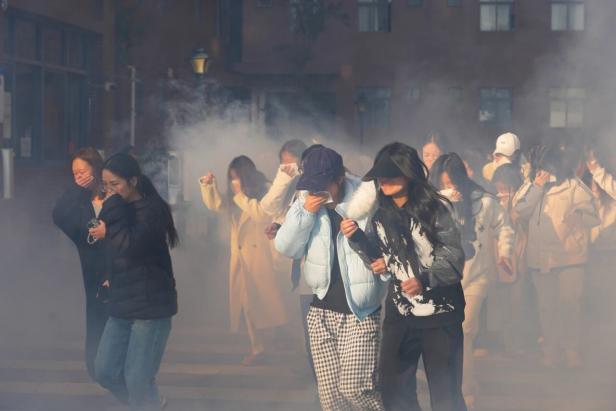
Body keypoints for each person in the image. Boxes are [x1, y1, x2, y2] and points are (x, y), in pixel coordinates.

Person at [345, 142, 467, 411]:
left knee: (446, 396)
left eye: (391, 174)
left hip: (441, 314)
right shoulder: (379, 214)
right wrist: (357, 239)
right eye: (380, 175)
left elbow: (454, 258)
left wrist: (424, 279)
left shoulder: (436, 208)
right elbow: (379, 259)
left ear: (409, 174)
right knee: (393, 388)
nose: (384, 181)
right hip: (401, 313)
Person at [275, 144, 387, 411]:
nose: (316, 192)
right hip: (320, 311)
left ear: (339, 179)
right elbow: (286, 247)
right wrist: (306, 213)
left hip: (360, 312)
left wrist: (358, 233)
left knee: (355, 389)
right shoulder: (305, 200)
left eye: (322, 185)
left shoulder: (366, 199)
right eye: (312, 185)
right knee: (330, 399)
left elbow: (385, 249)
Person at [90, 153, 178, 410]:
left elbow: (129, 246)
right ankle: (150, 404)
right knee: (105, 371)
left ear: (133, 181)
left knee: (138, 380)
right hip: (122, 301)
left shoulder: (151, 210)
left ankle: (148, 404)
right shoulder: (120, 209)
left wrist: (109, 220)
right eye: (106, 185)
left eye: (115, 185)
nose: (110, 192)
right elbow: (116, 252)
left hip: (150, 306)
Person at [431, 153, 513, 410]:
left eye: (453, 183)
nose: (450, 188)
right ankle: (462, 382)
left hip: (476, 276)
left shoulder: (483, 202)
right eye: (443, 184)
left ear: (462, 179)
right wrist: (443, 203)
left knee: (465, 329)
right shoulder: (431, 204)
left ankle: (465, 390)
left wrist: (505, 252)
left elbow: (504, 226)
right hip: (444, 279)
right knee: (445, 335)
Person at [513, 144, 599, 369]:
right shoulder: (531, 186)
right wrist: (536, 187)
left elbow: (593, 216)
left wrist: (579, 217)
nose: (544, 171)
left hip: (570, 258)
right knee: (547, 307)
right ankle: (550, 350)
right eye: (540, 167)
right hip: (542, 259)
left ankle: (571, 350)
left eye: (547, 166)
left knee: (570, 306)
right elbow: (519, 210)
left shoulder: (573, 186)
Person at [199, 155, 287, 365]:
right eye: (231, 178)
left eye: (237, 177)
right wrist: (209, 186)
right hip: (242, 258)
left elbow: (260, 214)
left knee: (270, 303)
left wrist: (240, 195)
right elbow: (217, 205)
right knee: (248, 303)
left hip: (264, 257)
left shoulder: (265, 190)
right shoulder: (236, 197)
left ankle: (278, 340)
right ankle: (258, 347)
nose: (234, 182)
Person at [52, 147, 108, 381]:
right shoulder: (79, 202)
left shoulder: (113, 196)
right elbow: (58, 215)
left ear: (96, 169)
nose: (79, 177)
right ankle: (97, 370)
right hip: (93, 272)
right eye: (74, 173)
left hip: (120, 270)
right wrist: (76, 190)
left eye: (83, 172)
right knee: (96, 320)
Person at [491, 164, 539, 354]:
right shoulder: (495, 204)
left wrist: (508, 207)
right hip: (500, 262)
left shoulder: (521, 203)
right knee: (503, 304)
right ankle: (507, 342)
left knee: (517, 303)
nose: (500, 193)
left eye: (504, 188)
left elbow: (518, 222)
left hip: (518, 261)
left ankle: (518, 343)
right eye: (498, 188)